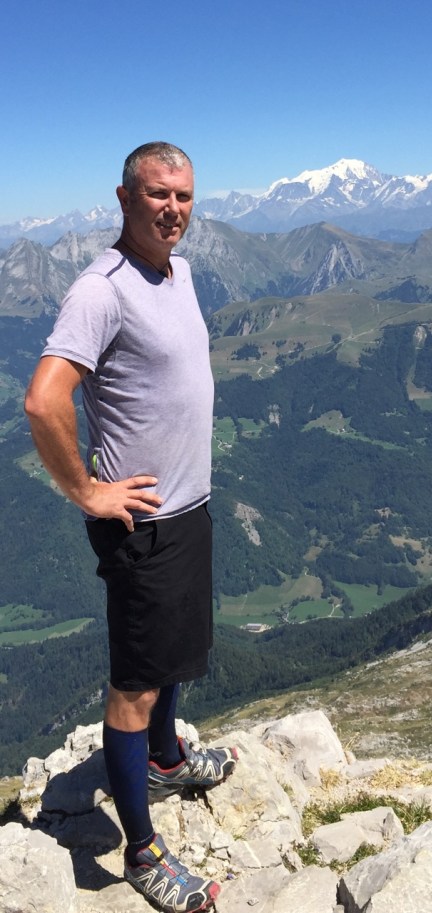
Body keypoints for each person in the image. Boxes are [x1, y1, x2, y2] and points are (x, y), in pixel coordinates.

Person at [25, 141, 237, 913]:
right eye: (158, 195)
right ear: (124, 199)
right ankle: (142, 852)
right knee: (136, 684)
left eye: (184, 195)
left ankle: (167, 758)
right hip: (141, 526)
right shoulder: (101, 289)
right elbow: (44, 401)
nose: (173, 209)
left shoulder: (177, 272)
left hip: (187, 510)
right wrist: (87, 490)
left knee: (174, 655)